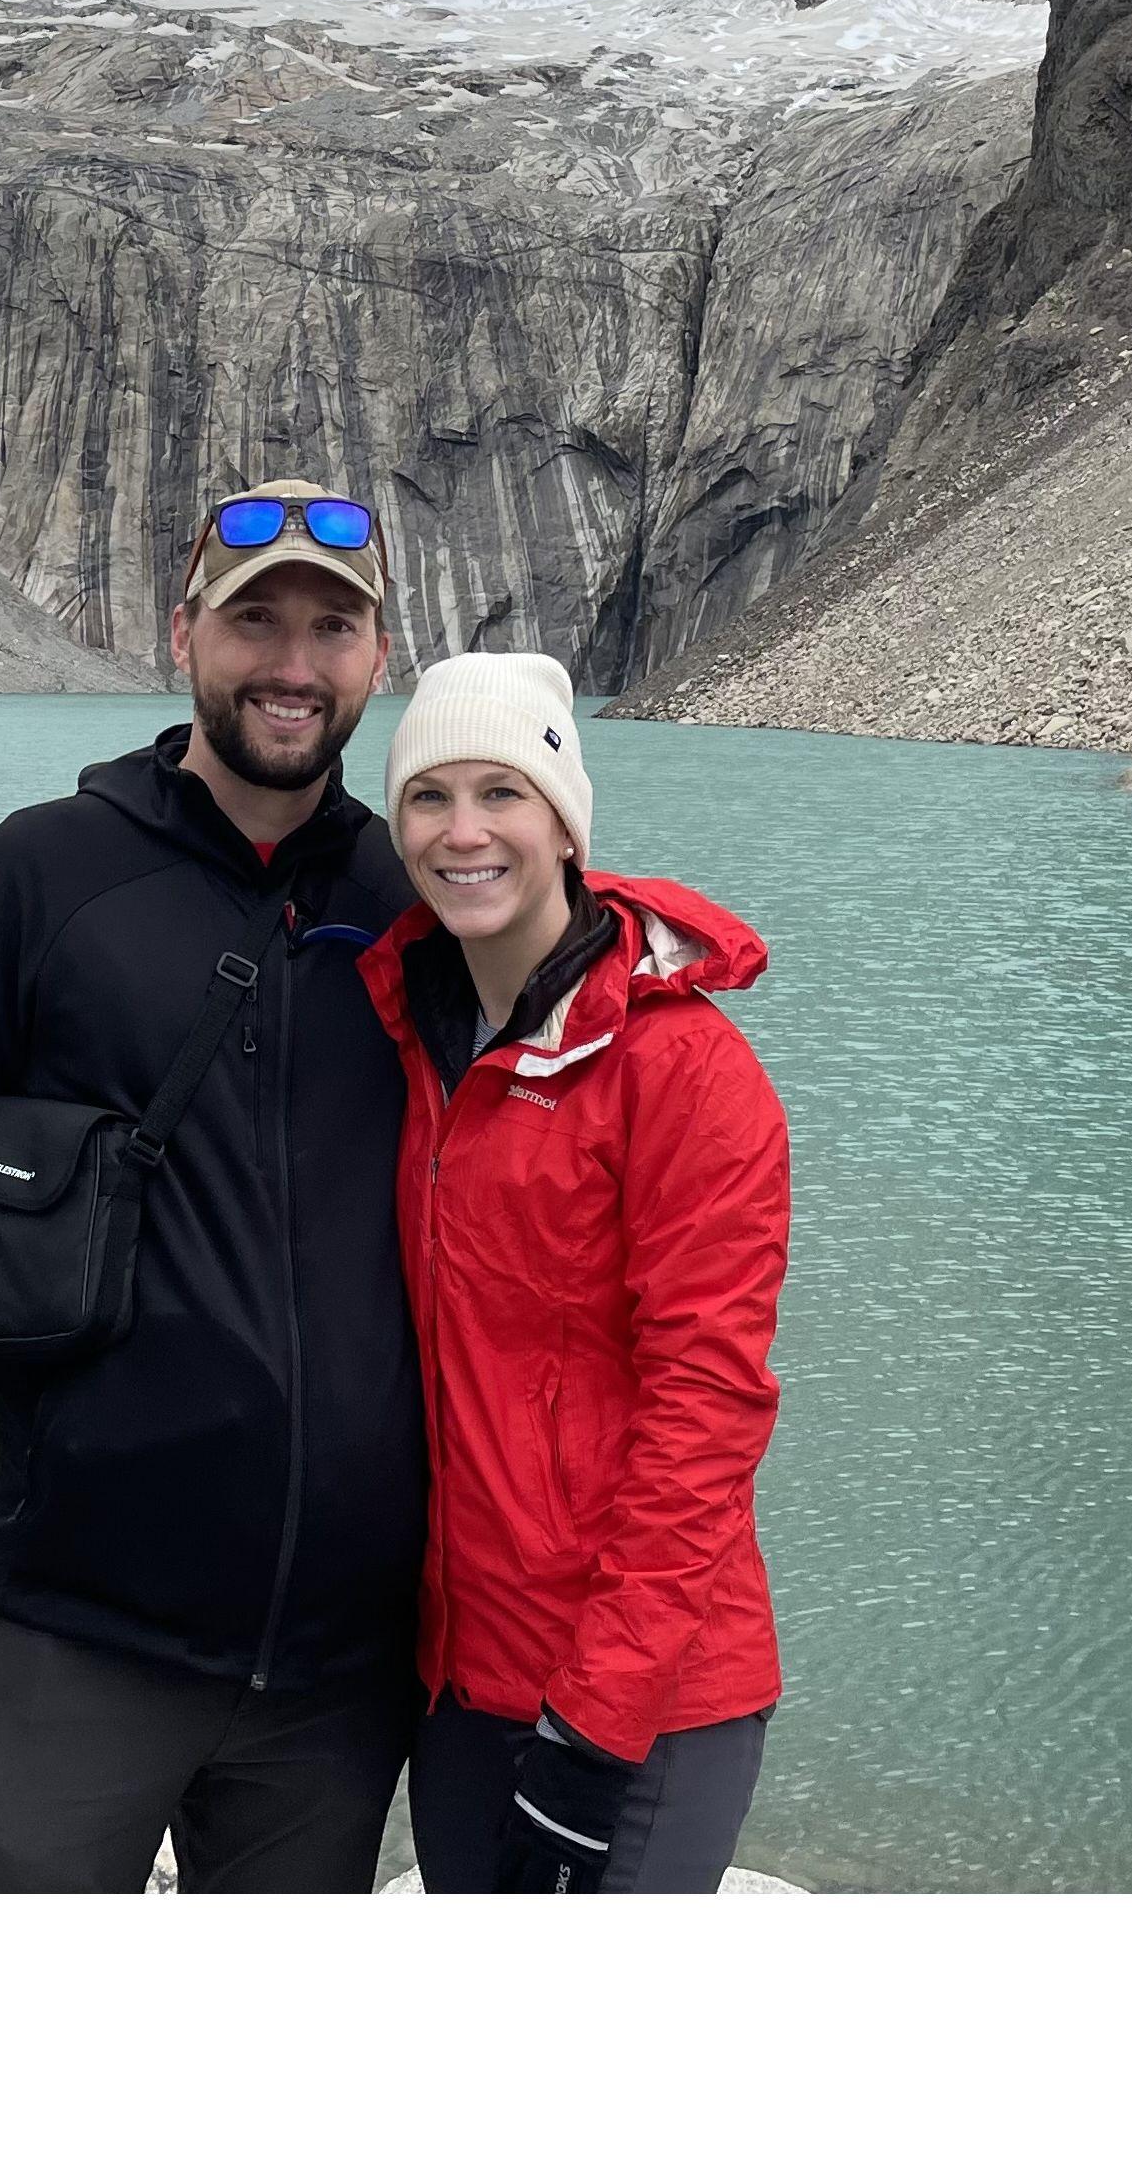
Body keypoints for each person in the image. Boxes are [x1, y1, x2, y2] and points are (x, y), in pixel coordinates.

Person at [0, 478, 426, 1890]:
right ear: (182, 632)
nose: (294, 665)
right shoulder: (35, 881)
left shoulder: (416, 910)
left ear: (380, 661)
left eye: (332, 627)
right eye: (256, 621)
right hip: (74, 1637)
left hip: (341, 1671)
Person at [357, 651, 790, 1891]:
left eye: (504, 793)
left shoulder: (683, 1073)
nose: (464, 832)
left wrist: (596, 1727)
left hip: (646, 1694)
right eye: (429, 798)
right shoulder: (410, 1034)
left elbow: (707, 1410)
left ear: (565, 824)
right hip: (463, 1675)